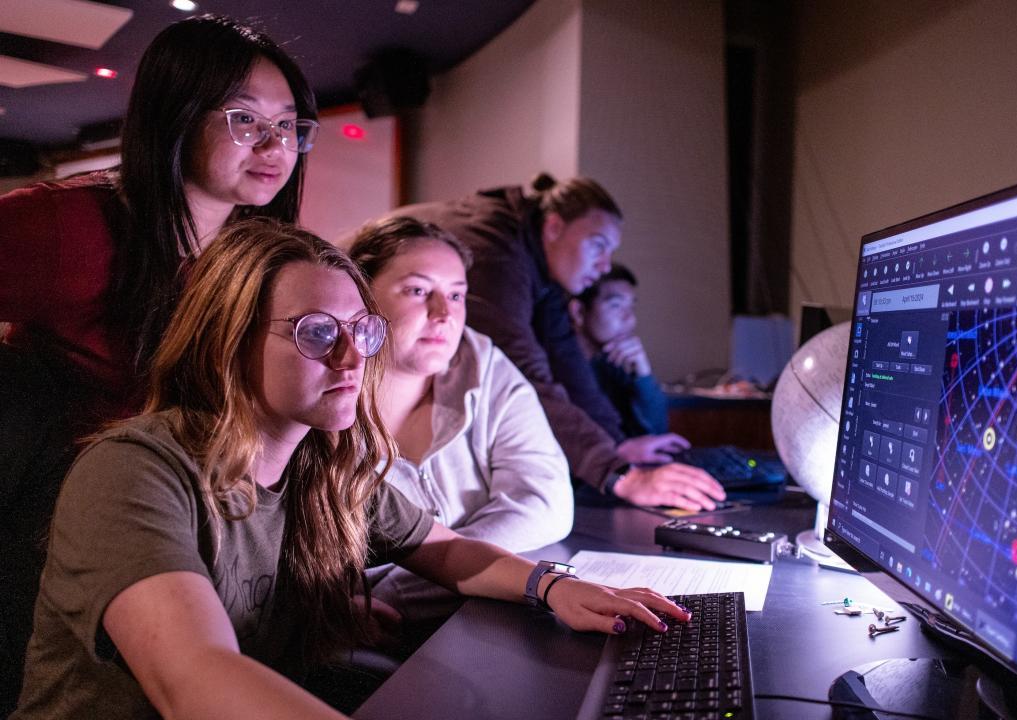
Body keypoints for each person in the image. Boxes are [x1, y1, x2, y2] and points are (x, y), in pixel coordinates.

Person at [13, 219, 687, 720]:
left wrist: (553, 584)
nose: (350, 358)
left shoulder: (324, 465)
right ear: (227, 342)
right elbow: (193, 680)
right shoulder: (135, 473)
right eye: (315, 334)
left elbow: (444, 549)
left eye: (360, 332)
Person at [0, 14, 319, 710]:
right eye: (244, 119)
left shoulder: (257, 252)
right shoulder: (70, 228)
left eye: (289, 126)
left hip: (190, 525)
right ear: (177, 115)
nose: (275, 145)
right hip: (62, 527)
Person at [378, 174, 726, 512]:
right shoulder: (498, 257)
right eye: (598, 245)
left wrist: (616, 451)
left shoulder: (537, 267)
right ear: (555, 226)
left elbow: (567, 362)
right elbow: (528, 375)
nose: (605, 267)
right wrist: (619, 474)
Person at [346, 216, 574, 636]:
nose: (444, 313)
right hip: (355, 641)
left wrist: (399, 589)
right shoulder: (324, 392)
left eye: (456, 295)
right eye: (418, 291)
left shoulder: (481, 361)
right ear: (359, 296)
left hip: (481, 621)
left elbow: (546, 501)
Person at [569, 264, 669, 438]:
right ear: (578, 312)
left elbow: (657, 430)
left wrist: (643, 375)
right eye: (616, 305)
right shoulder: (559, 370)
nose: (629, 318)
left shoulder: (611, 366)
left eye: (631, 307)